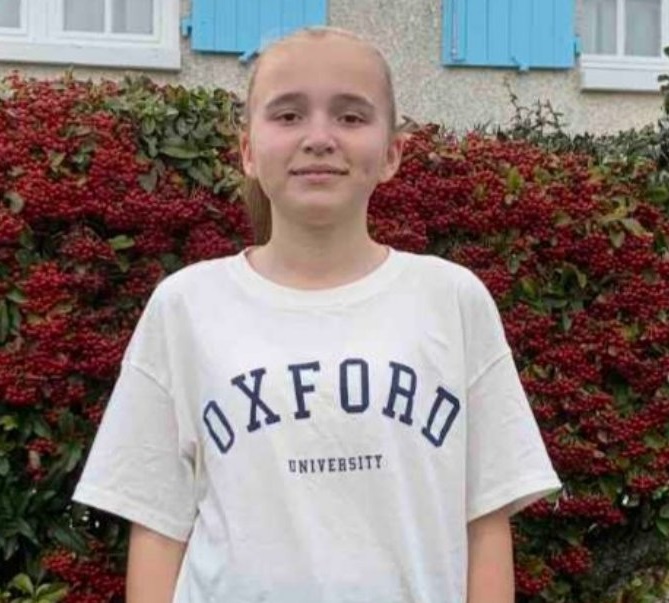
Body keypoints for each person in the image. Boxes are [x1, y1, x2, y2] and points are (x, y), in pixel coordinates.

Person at [72, 26, 562, 603]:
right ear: (248, 151)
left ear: (393, 152)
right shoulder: (185, 306)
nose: (320, 138)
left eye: (351, 117)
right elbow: (158, 526)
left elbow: (485, 522)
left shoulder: (452, 300)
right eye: (288, 115)